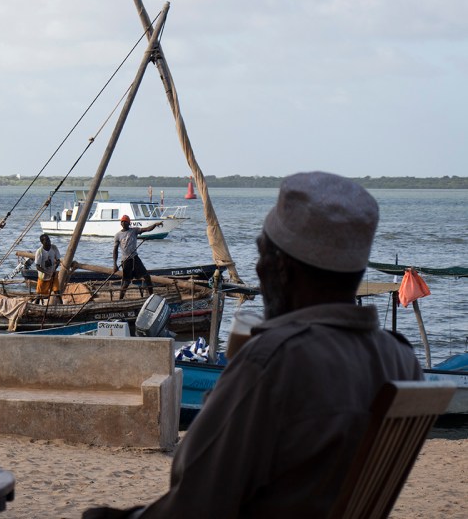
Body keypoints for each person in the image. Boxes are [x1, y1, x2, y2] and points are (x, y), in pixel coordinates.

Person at [85, 171, 423, 519]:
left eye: (263, 255)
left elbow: (193, 495)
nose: (258, 269)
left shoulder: (272, 364)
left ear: (283, 269)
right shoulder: (401, 361)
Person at [112, 215, 163, 299]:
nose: (124, 223)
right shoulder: (118, 235)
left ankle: (151, 296)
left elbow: (147, 229)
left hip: (135, 258)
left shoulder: (134, 231)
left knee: (147, 276)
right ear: (120, 223)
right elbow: (115, 250)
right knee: (126, 282)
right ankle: (120, 299)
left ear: (129, 223)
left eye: (125, 221)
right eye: (122, 221)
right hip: (126, 260)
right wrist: (115, 264)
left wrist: (155, 225)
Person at [34, 234, 61, 303]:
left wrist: (55, 267)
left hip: (53, 274)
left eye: (49, 240)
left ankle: (62, 306)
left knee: (57, 291)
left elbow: (58, 260)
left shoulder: (54, 248)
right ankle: (36, 306)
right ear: (42, 242)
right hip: (43, 276)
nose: (49, 242)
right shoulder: (39, 252)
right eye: (46, 241)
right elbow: (37, 266)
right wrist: (47, 273)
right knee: (39, 294)